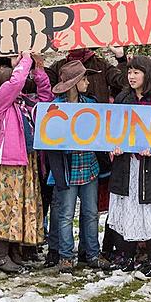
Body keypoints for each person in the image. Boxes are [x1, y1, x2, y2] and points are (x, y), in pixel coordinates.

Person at [107, 55, 151, 280]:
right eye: (130, 72)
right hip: (127, 165)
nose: (131, 76)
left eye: (136, 72)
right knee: (127, 209)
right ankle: (127, 258)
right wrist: (114, 145)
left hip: (150, 167)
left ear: (147, 74)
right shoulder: (123, 98)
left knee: (148, 212)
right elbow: (113, 128)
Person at [0, 52, 52, 273]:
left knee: (22, 207)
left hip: (28, 159)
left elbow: (46, 100)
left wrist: (39, 71)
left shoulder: (23, 104)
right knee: (7, 208)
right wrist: (25, 59)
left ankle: (15, 252)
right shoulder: (0, 102)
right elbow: (15, 83)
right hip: (10, 160)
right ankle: (0, 255)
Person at [46, 60, 103, 274]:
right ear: (75, 83)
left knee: (91, 213)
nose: (88, 82)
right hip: (67, 168)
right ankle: (66, 256)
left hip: (88, 165)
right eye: (84, 79)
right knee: (65, 214)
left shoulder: (91, 103)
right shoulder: (54, 107)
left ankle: (92, 253)